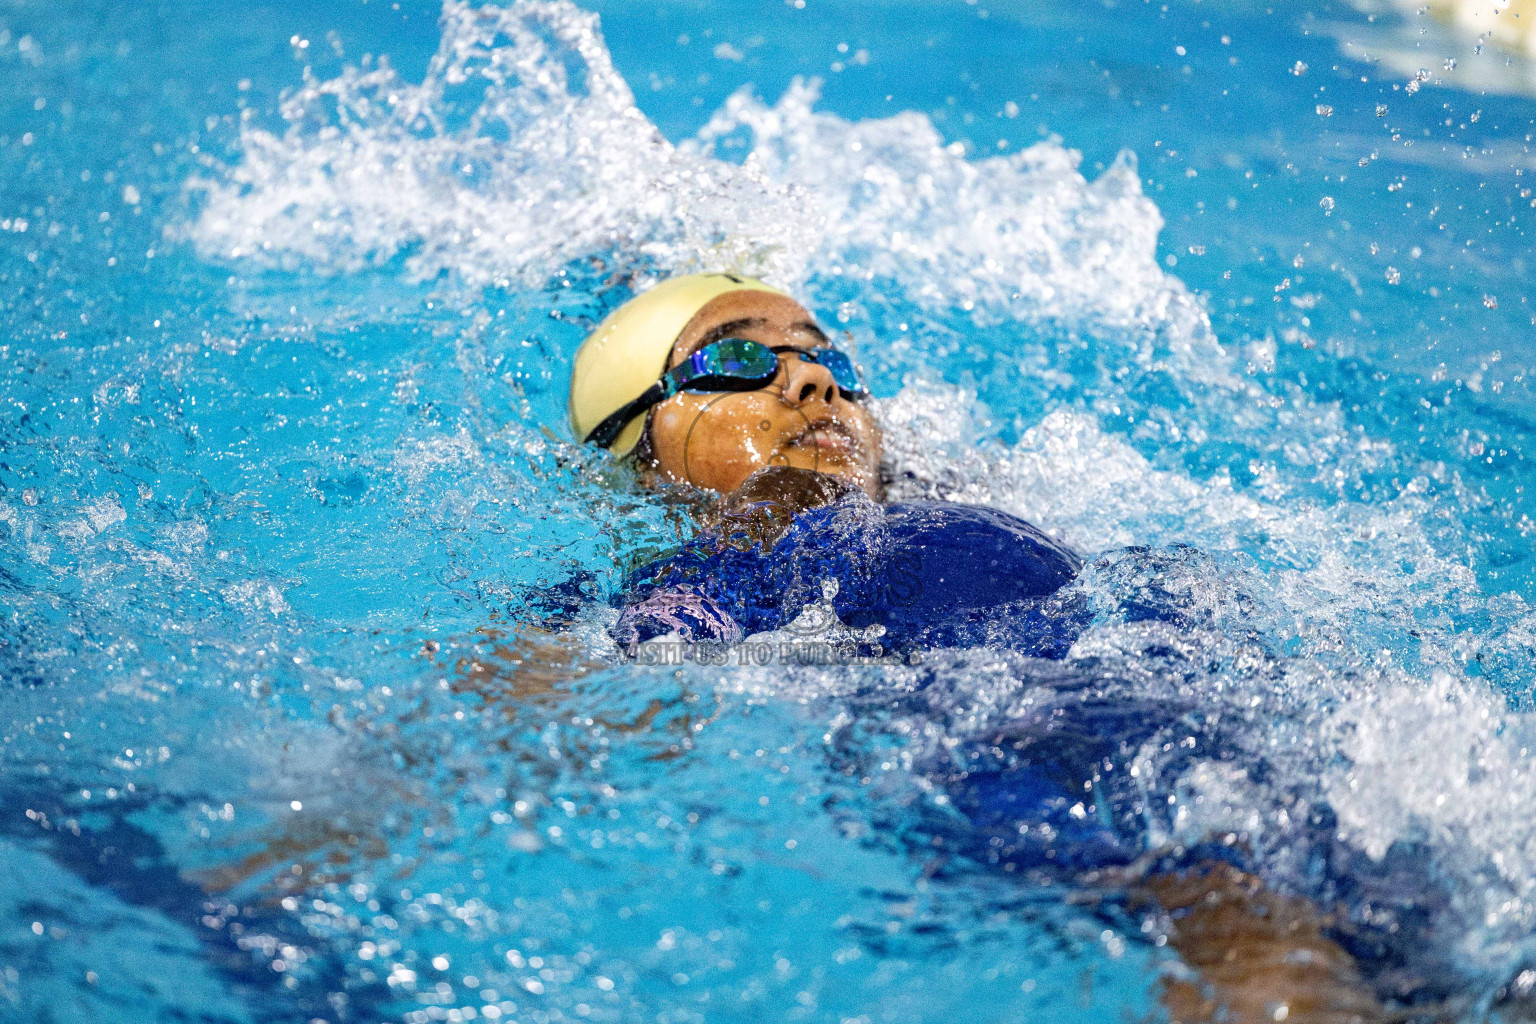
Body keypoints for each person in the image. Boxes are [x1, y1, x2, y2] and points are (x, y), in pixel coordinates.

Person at [566, 272, 1447, 1023]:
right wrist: (760, 513)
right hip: (994, 737)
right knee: (1232, 916)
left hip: (1189, 688)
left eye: (828, 359)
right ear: (637, 458)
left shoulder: (942, 491)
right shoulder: (727, 551)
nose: (811, 383)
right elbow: (621, 671)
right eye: (736, 361)